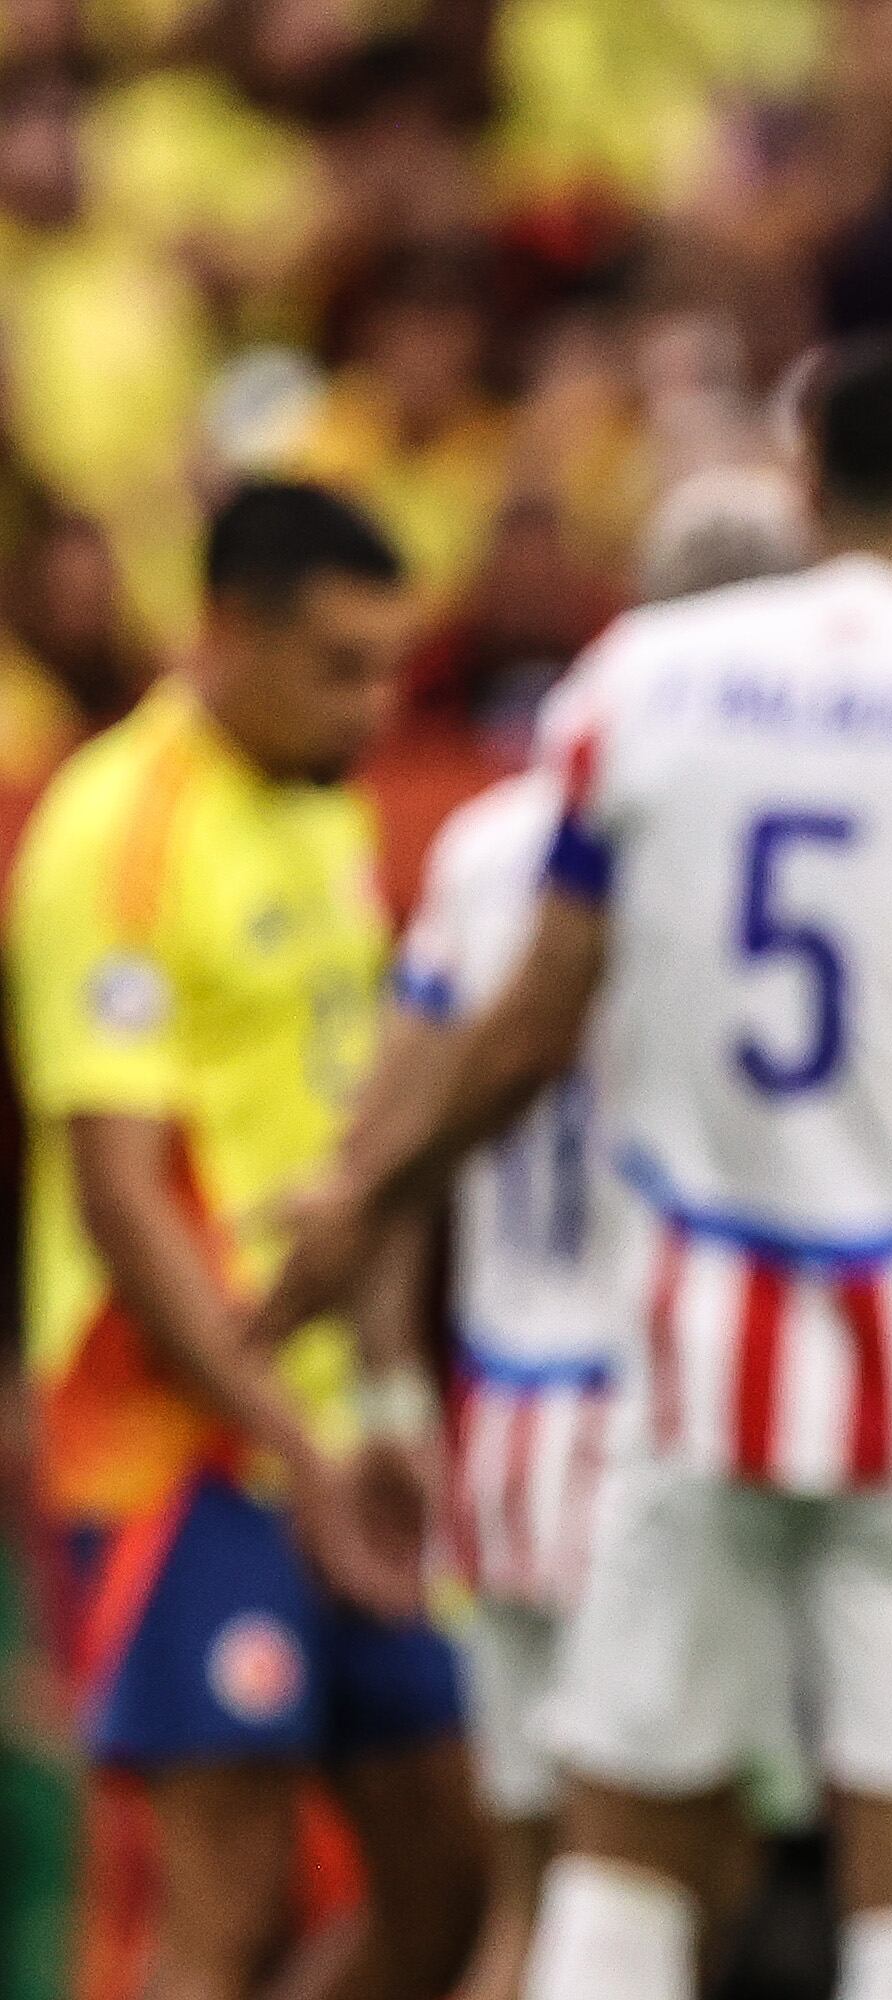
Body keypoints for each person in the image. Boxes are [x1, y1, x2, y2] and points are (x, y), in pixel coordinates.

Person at [243, 344, 892, 2000]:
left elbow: (530, 1024)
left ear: (807, 485)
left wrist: (361, 1197)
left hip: (688, 1338)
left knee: (615, 1868)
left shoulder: (645, 682)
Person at [9, 480, 480, 2000]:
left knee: (446, 1883)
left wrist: (390, 1410)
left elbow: (360, 1153)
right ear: (228, 633)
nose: (375, 703)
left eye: (391, 664)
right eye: (340, 665)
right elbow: (120, 1193)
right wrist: (292, 1437)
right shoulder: (118, 829)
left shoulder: (321, 803)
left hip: (343, 1427)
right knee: (223, 1901)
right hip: (178, 1438)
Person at [368, 473, 812, 2000]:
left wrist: (389, 1382)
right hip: (664, 1421)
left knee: (532, 1887)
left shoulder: (487, 841)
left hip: (503, 1404)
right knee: (666, 1889)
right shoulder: (752, 829)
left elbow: (400, 1125)